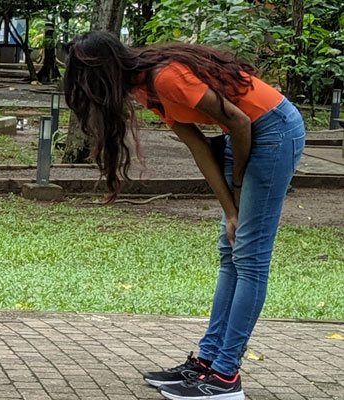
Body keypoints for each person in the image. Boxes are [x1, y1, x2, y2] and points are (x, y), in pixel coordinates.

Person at [62, 31, 305, 400]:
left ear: (100, 72)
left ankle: (225, 378)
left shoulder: (166, 77)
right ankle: (208, 362)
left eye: (84, 82)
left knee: (251, 258)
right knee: (231, 250)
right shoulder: (145, 88)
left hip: (272, 130)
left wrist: (238, 187)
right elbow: (198, 147)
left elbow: (240, 121)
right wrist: (229, 211)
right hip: (243, 135)